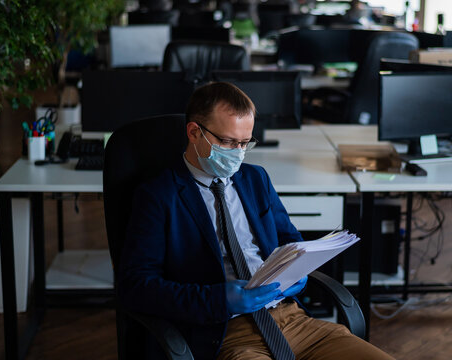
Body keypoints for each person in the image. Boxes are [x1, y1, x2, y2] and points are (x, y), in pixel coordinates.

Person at [118, 82, 394, 360]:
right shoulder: (158, 195)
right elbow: (136, 286)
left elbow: (290, 241)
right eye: (228, 142)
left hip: (293, 320)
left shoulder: (255, 178)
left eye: (245, 143)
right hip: (224, 332)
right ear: (194, 132)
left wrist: (298, 273)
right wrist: (219, 299)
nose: (238, 152)